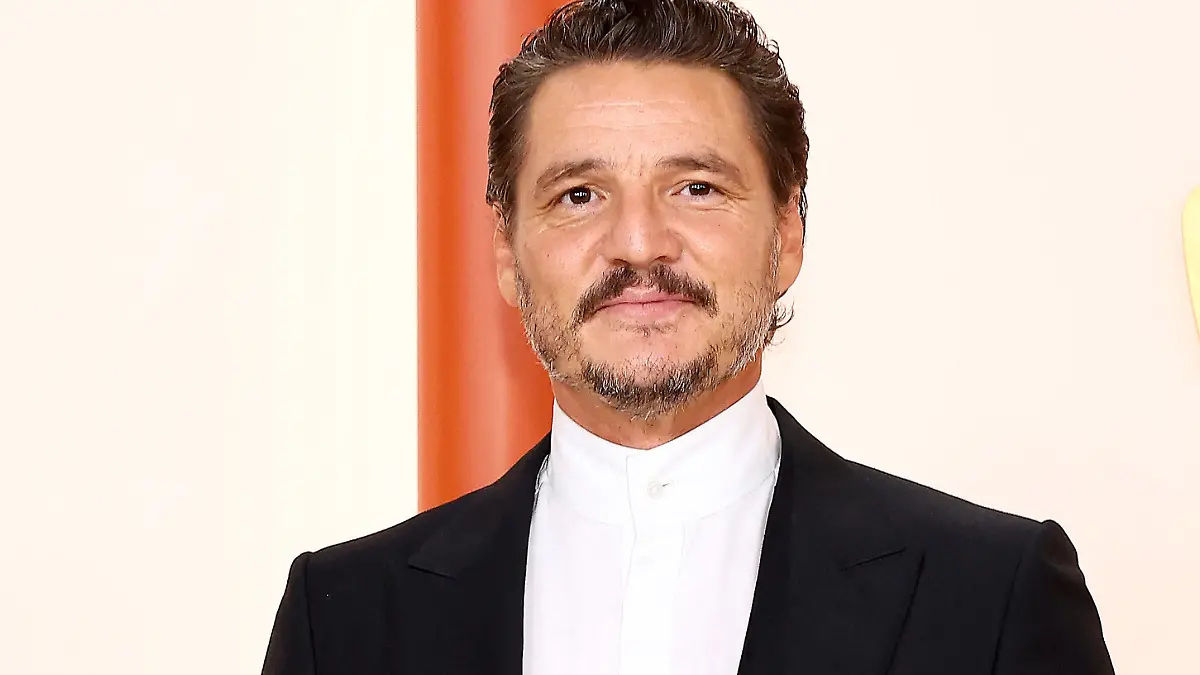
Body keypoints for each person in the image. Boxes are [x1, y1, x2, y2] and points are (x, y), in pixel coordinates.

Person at [262, 0, 1115, 673]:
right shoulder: (344, 619)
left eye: (697, 187)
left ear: (787, 233)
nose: (639, 244)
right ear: (508, 255)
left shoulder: (990, 595)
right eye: (579, 195)